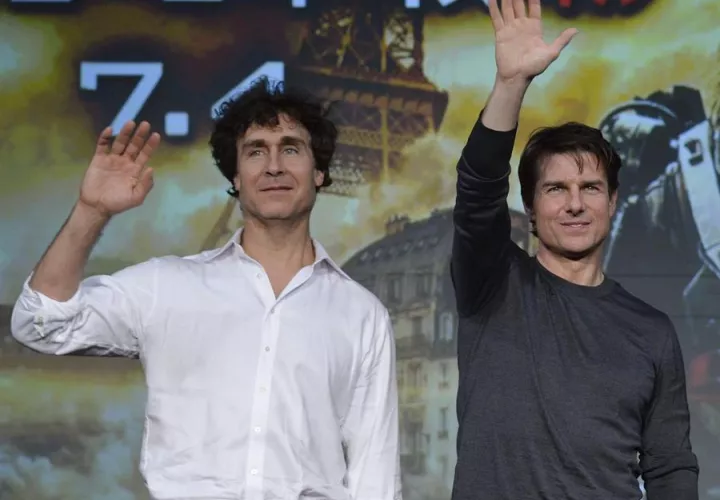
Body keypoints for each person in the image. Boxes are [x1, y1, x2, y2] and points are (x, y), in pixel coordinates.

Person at [11, 78, 402, 500]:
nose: (273, 166)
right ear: (236, 176)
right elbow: (40, 323)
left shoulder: (362, 314)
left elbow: (376, 475)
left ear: (320, 172)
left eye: (290, 149)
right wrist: (92, 211)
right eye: (255, 151)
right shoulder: (167, 287)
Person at [450, 1, 699, 499]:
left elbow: (670, 468)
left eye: (590, 188)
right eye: (556, 189)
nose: (575, 204)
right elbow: (477, 190)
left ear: (613, 201)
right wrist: (510, 85)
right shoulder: (493, 285)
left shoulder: (652, 332)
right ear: (530, 207)